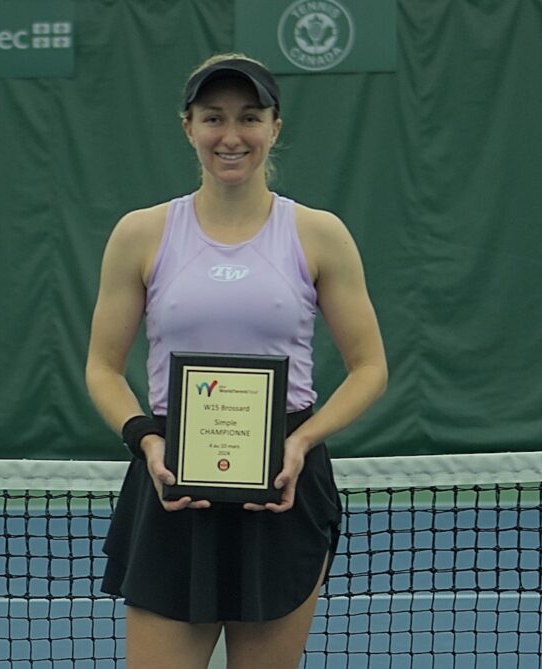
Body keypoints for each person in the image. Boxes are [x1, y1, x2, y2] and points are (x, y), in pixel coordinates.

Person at [85, 53, 387, 668]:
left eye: (249, 117)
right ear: (187, 127)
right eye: (212, 118)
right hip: (172, 483)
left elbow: (370, 369)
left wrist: (301, 444)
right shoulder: (140, 234)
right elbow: (102, 368)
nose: (231, 135)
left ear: (275, 127)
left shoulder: (317, 233)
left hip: (285, 483)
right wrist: (147, 443)